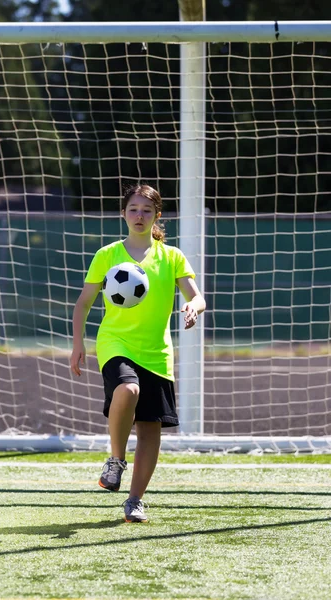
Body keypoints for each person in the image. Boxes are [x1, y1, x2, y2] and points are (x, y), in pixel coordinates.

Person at [70, 184, 206, 523]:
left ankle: (134, 500)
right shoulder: (107, 255)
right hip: (115, 342)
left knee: (149, 430)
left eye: (146, 210)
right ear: (123, 213)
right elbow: (83, 304)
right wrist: (77, 345)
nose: (139, 215)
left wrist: (193, 307)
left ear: (157, 215)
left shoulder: (171, 256)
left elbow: (198, 296)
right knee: (127, 389)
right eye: (133, 209)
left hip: (157, 352)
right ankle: (116, 459)